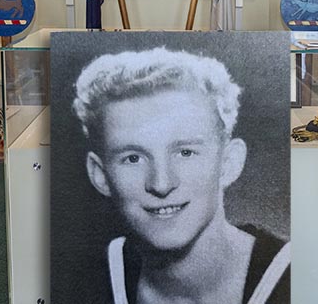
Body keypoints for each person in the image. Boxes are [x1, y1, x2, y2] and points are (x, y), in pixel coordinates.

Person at [72, 47, 290, 304]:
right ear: (101, 175)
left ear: (228, 163)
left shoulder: (292, 277)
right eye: (133, 158)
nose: (161, 184)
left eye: (185, 152)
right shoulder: (86, 279)